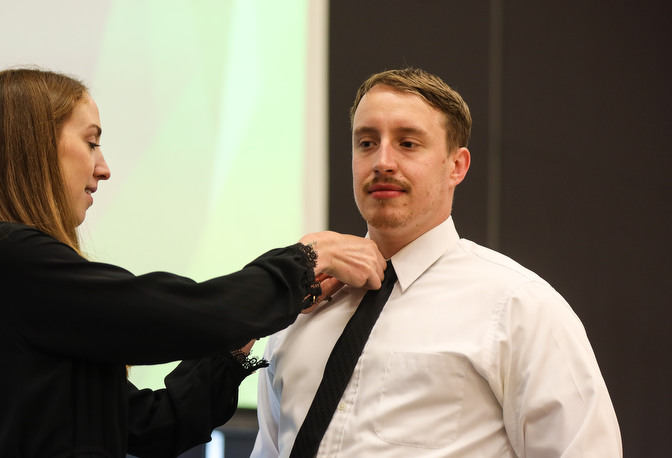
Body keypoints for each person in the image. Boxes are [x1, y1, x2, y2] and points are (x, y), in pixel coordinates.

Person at [0, 68, 386, 457]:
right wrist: (304, 263)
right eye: (91, 141)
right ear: (34, 146)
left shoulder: (4, 269)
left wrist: (235, 339)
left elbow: (151, 425)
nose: (104, 167)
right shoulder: (5, 257)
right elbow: (172, 312)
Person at [251, 67, 622, 457]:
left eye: (408, 143)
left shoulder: (518, 306)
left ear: (456, 166)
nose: (382, 162)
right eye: (366, 142)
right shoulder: (303, 304)